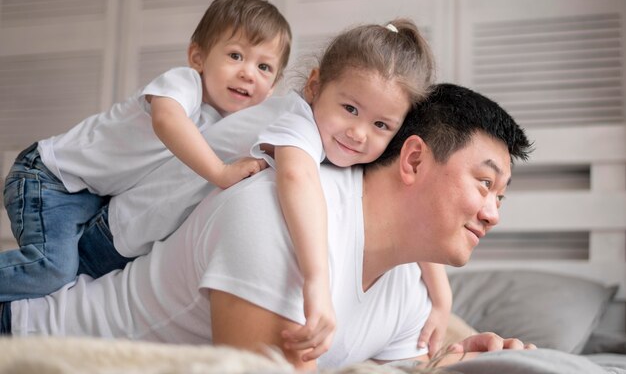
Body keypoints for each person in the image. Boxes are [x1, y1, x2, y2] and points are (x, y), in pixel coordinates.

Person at [0, 83, 534, 372]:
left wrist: (457, 367)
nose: (494, 213)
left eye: (501, 196)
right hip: (26, 335)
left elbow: (408, 367)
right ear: (413, 160)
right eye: (485, 184)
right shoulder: (275, 212)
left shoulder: (409, 290)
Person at [103, 18, 450, 359]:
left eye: (380, 124)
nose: (359, 132)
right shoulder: (298, 122)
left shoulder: (344, 146)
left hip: (151, 236)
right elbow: (297, 179)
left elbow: (407, 217)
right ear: (314, 86)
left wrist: (441, 298)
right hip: (121, 228)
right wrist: (318, 283)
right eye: (350, 108)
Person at [0, 0, 292, 301]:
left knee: (61, 285)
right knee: (51, 270)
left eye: (264, 67)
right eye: (235, 56)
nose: (248, 73)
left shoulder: (228, 124)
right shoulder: (184, 84)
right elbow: (167, 121)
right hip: (50, 177)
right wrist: (220, 172)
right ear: (198, 57)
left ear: (272, 87)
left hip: (90, 195)